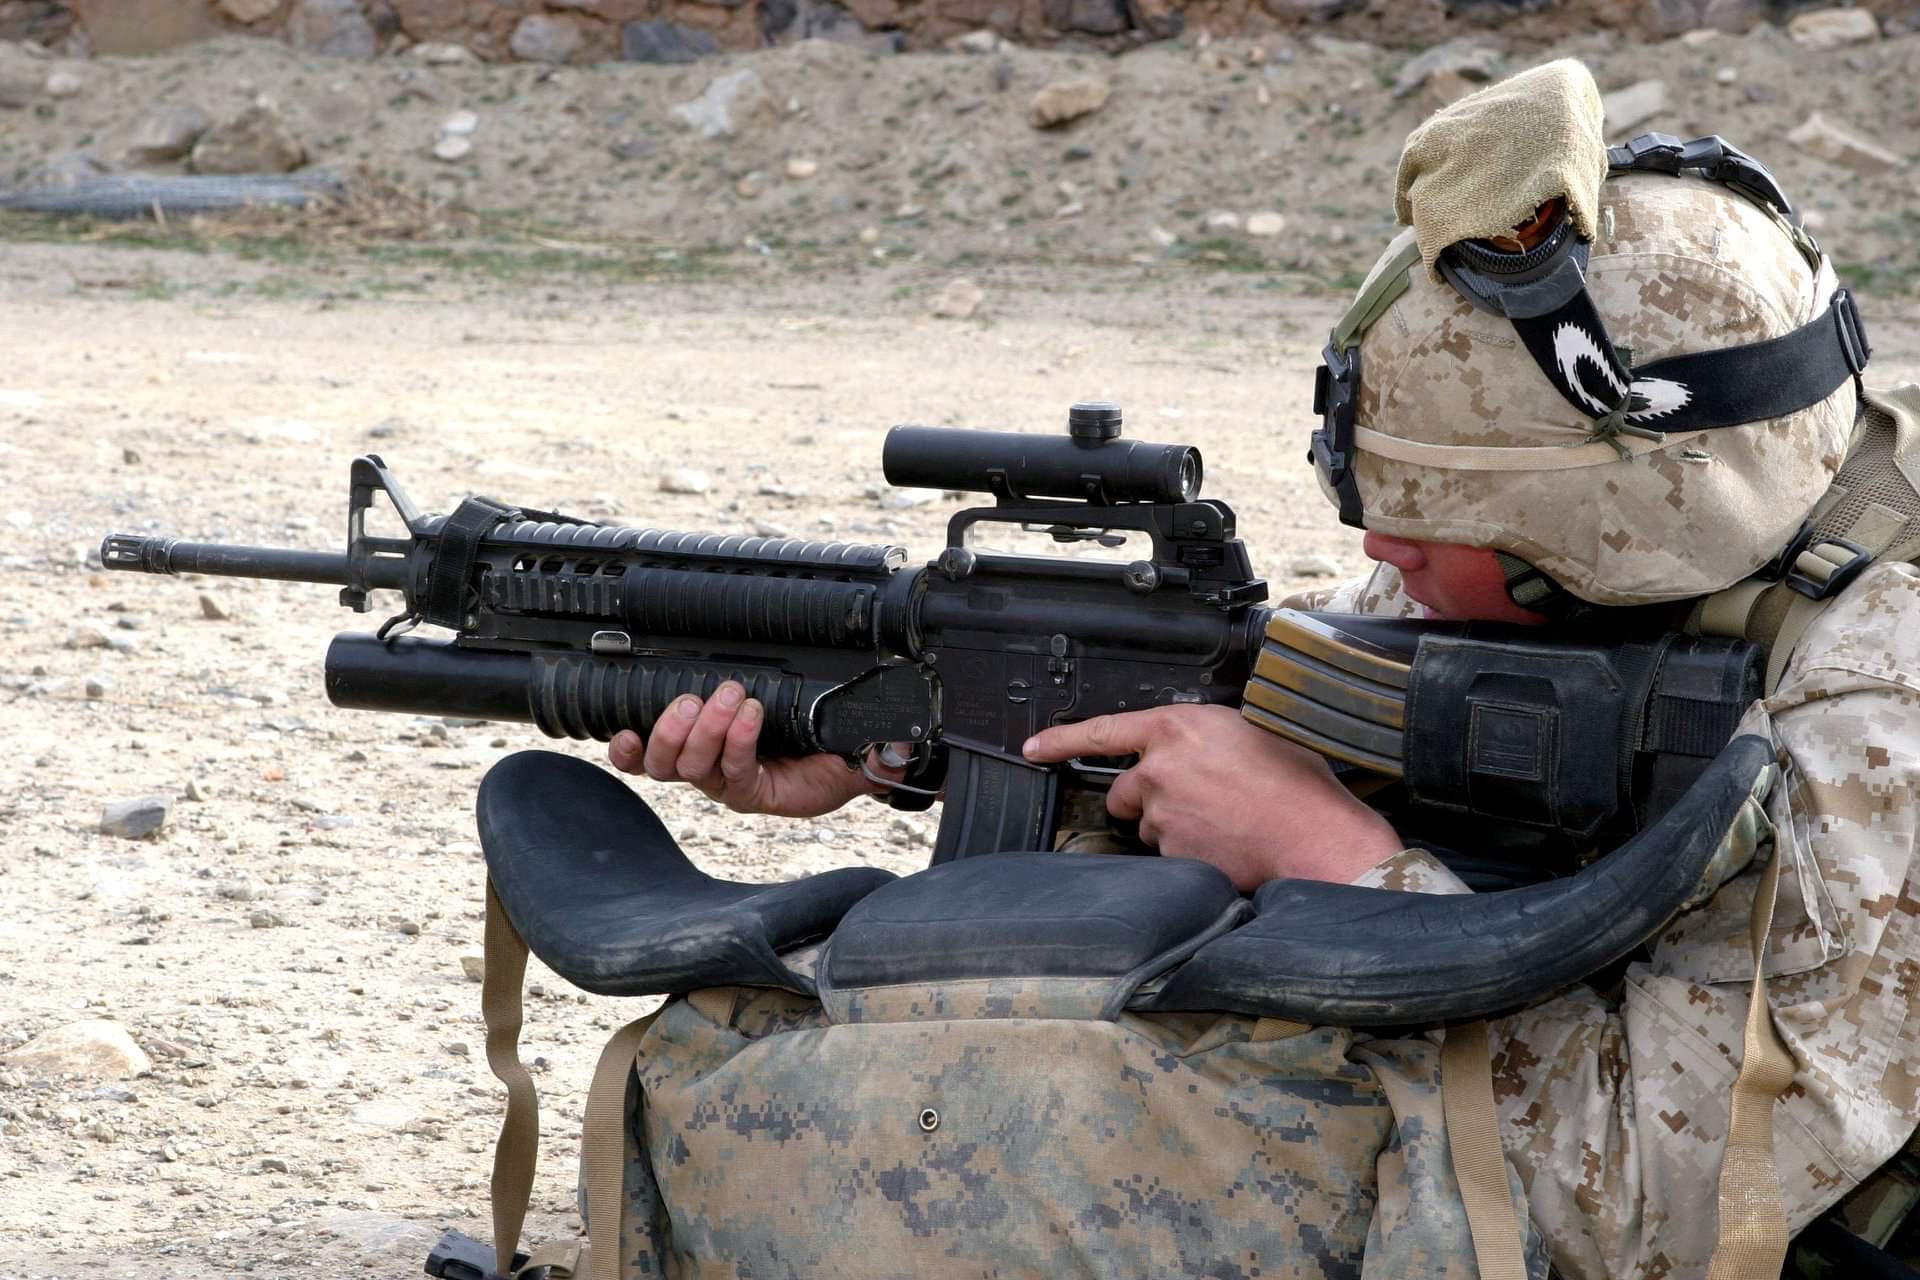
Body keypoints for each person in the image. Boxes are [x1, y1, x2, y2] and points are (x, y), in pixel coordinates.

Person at [605, 71, 1920, 1280]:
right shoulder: (1564, 593)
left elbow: (1655, 1206)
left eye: (1438, 512)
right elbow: (1270, 750)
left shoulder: (1877, 723)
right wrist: (928, 741)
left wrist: (1339, 865)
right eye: (1366, 490)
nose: (1379, 548)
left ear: (1615, 526)